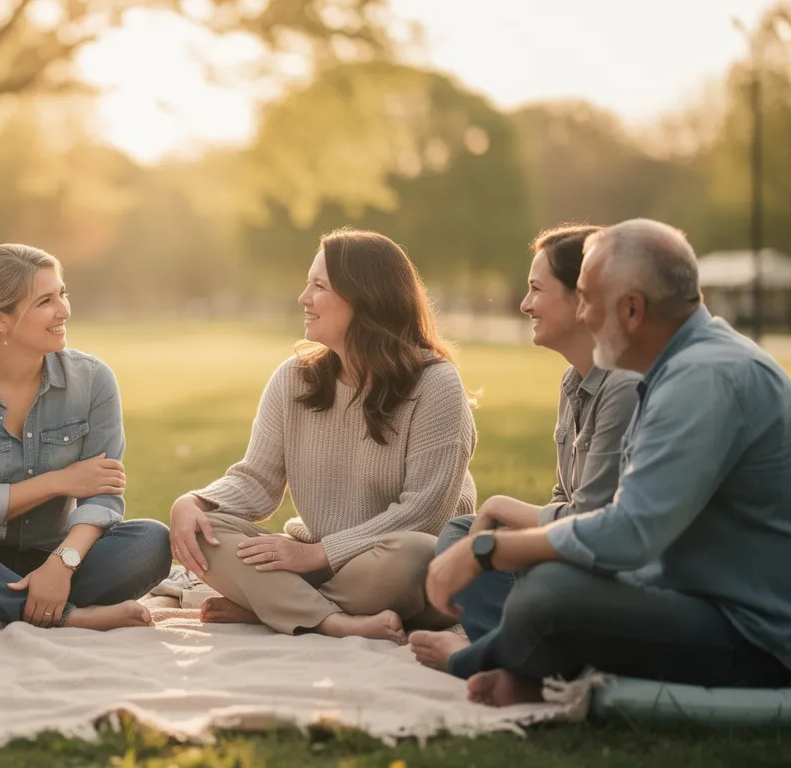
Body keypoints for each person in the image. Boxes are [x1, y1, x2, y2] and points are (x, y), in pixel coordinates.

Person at [426, 219, 791, 707]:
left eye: (587, 299)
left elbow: (629, 536)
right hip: (686, 594)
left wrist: (487, 551)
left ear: (632, 310)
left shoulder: (703, 380)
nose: (583, 315)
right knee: (546, 579)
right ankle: (534, 666)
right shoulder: (676, 369)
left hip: (753, 635)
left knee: (551, 595)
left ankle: (480, 659)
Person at [169, 228, 476, 643]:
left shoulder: (436, 384)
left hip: (393, 565)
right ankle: (332, 620)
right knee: (205, 531)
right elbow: (257, 481)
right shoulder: (293, 379)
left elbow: (425, 513)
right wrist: (196, 501)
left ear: (364, 297)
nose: (303, 298)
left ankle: (273, 606)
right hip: (318, 564)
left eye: (319, 286)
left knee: (416, 554)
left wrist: (316, 554)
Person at [0, 244, 171, 631]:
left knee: (151, 541)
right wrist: (58, 481)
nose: (64, 311)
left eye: (63, 294)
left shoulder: (93, 380)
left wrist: (61, 563)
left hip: (58, 557)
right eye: (45, 301)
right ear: (0, 318)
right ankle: (71, 615)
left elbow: (102, 497)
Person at [410, 225, 641, 675]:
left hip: (615, 573)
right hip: (576, 557)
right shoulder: (574, 382)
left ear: (582, 299)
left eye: (536, 289)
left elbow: (595, 524)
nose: (524, 304)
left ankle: (518, 652)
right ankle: (523, 643)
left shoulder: (625, 387)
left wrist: (499, 510)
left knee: (481, 539)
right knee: (460, 533)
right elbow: (564, 498)